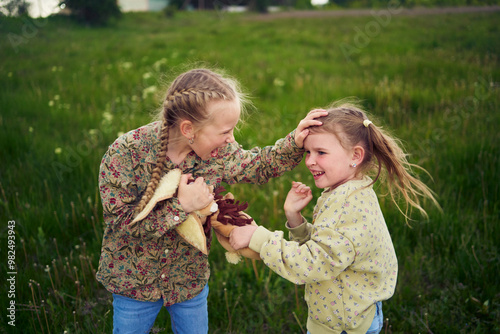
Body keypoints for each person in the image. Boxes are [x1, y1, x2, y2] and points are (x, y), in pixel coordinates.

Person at [96, 67, 326, 334]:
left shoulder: (220, 151)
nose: (231, 139)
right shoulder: (126, 153)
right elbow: (121, 225)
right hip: (133, 283)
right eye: (225, 131)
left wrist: (294, 143)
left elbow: (256, 166)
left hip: (189, 280)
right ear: (188, 129)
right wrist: (181, 207)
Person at [229, 100, 441, 334]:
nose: (309, 160)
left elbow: (311, 263)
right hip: (348, 313)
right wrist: (295, 219)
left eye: (321, 152)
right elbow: (328, 249)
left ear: (355, 155)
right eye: (308, 152)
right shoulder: (350, 191)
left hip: (342, 325)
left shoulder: (347, 207)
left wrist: (257, 237)